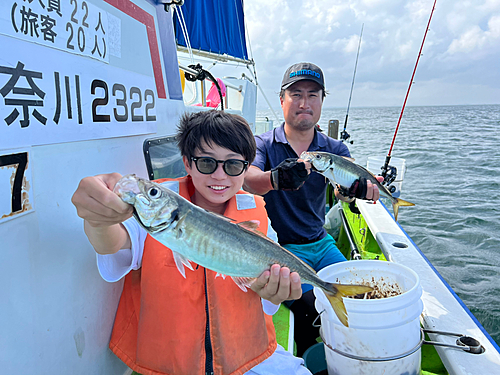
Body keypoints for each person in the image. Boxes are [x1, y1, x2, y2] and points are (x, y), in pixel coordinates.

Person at [71, 110, 312, 375]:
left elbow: (267, 300)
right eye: (207, 163)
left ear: (246, 168)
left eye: (232, 166)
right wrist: (98, 221)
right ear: (187, 163)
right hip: (172, 364)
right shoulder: (159, 210)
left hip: (247, 357)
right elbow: (111, 243)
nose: (219, 176)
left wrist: (273, 292)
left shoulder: (256, 214)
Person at [243, 62, 382, 356]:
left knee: (363, 293)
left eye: (313, 95)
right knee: (311, 310)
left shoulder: (334, 149)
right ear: (282, 100)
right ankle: (313, 361)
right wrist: (276, 178)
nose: (304, 103)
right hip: (279, 249)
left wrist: (355, 192)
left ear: (321, 101)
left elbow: (340, 191)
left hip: (321, 242)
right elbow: (248, 180)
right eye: (296, 95)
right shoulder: (264, 144)